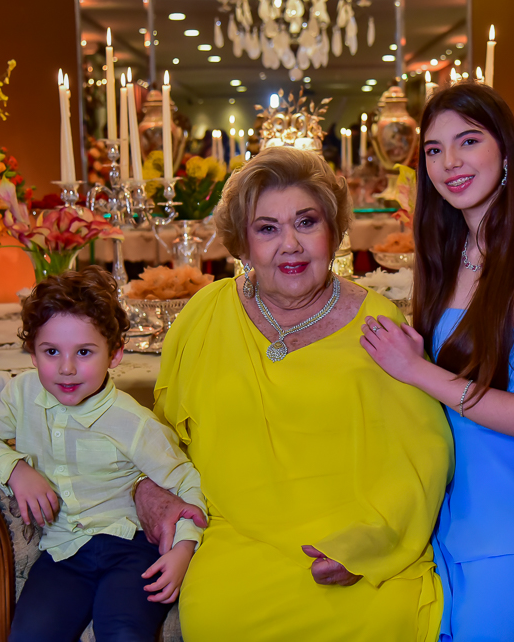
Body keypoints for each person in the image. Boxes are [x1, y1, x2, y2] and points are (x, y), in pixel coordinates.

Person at [137, 145, 454, 641]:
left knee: (386, 622)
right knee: (218, 619)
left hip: (355, 544)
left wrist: (366, 546)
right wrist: (147, 489)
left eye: (306, 222)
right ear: (242, 243)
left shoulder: (376, 323)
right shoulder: (205, 314)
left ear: (333, 232)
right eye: (267, 228)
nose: (290, 245)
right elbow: (157, 438)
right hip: (237, 541)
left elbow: (422, 455)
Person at [360, 82, 514, 641]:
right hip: (439, 484)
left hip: (508, 495)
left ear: (506, 149)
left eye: (468, 141)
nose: (449, 163)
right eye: (434, 150)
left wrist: (417, 370)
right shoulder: (447, 246)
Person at [0, 267, 206, 642]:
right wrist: (16, 470)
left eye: (85, 352)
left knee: (122, 631)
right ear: (32, 352)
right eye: (51, 351)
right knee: (29, 635)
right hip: (63, 551)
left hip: (130, 549)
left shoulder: (133, 422)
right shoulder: (22, 394)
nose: (67, 368)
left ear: (115, 354)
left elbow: (186, 483)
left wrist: (183, 549)